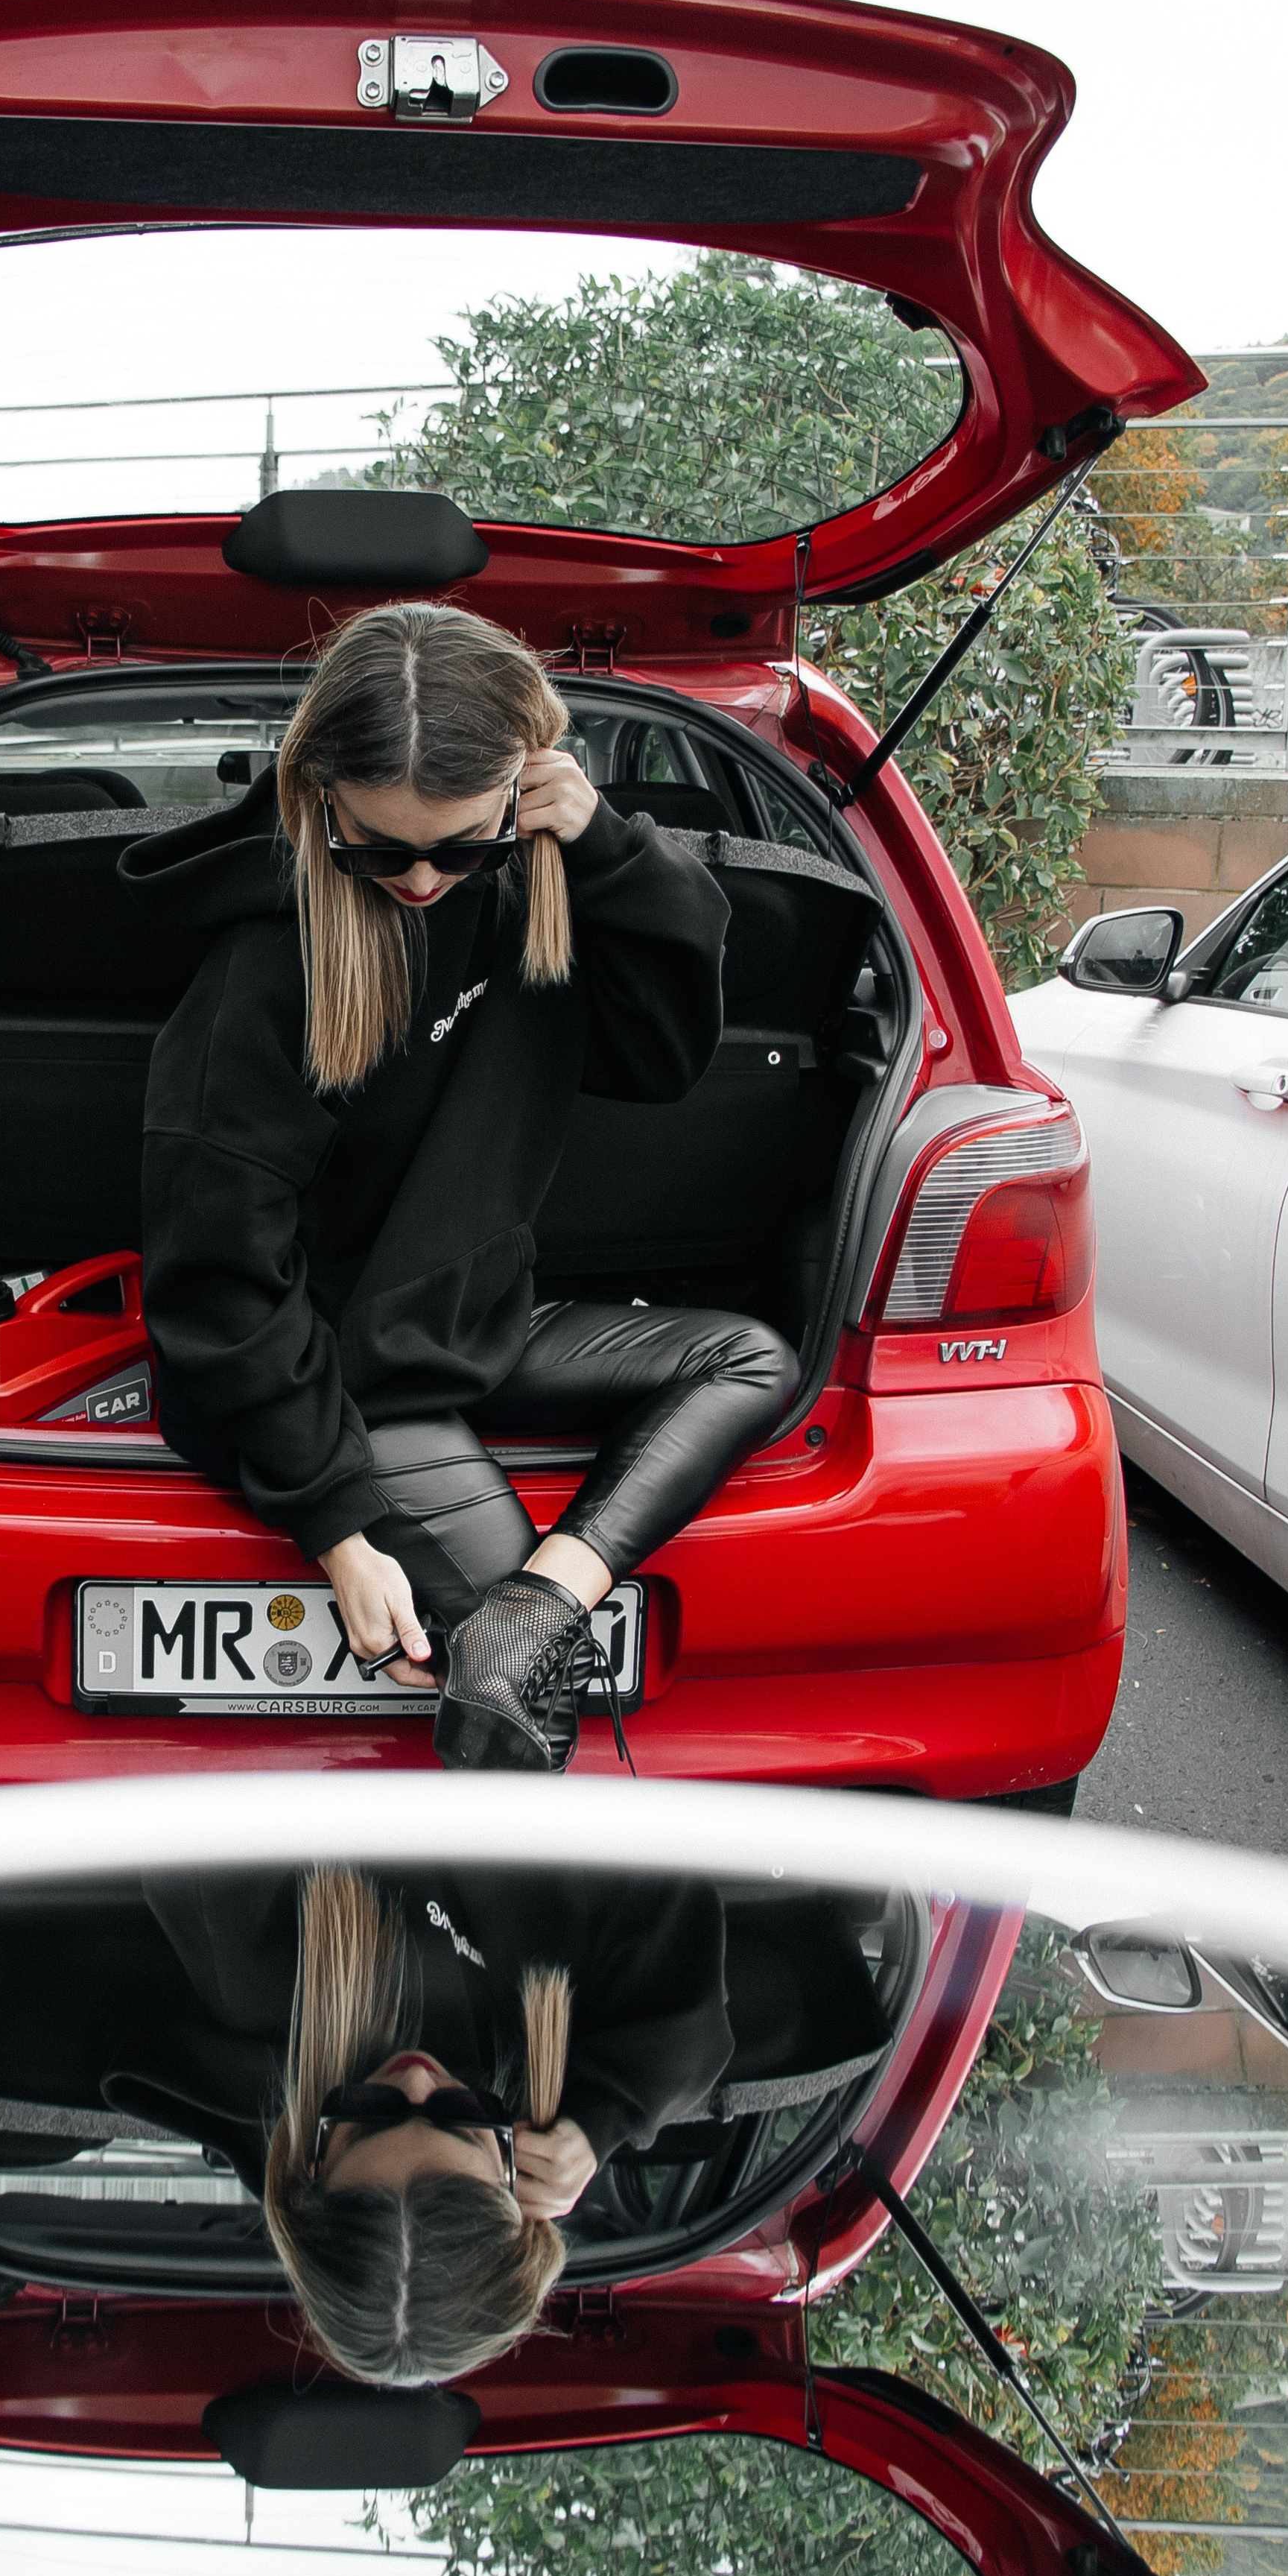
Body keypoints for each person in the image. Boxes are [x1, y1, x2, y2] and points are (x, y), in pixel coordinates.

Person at [120, 603, 799, 1769]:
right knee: (523, 1720)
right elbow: (218, 1283)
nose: (424, 880)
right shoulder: (265, 968)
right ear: (320, 797)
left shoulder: (539, 898)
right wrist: (336, 1526)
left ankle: (543, 1599)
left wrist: (609, 848)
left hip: (464, 1328)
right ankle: (514, 1927)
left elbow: (666, 1059)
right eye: (381, 849)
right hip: (328, 1379)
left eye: (461, 846)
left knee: (748, 1359)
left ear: (528, 793)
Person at [139, 1862, 732, 2384]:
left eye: (369, 2117)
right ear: (511, 2170)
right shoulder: (573, 2048)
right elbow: (671, 1919)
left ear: (312, 2163)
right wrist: (605, 2115)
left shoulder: (256, 1985)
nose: (419, 2082)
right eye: (463, 2118)